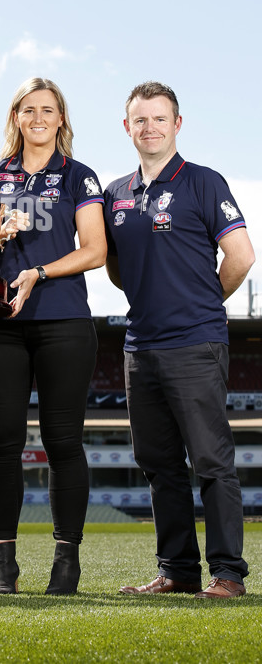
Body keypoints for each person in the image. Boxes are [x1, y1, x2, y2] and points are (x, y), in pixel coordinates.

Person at [104, 81, 255, 599]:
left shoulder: (204, 182)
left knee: (211, 462)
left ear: (177, 124)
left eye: (159, 119)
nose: (149, 128)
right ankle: (178, 571)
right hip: (139, 348)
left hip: (195, 342)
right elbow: (116, 268)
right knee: (159, 464)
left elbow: (241, 256)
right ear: (127, 128)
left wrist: (203, 298)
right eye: (139, 120)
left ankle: (228, 574)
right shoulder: (115, 193)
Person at [0, 77, 107, 595]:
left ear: (61, 119)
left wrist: (41, 272)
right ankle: (2, 566)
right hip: (0, 325)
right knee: (0, 446)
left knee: (63, 443)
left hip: (64, 322)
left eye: (48, 110)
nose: (38, 118)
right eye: (29, 110)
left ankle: (66, 563)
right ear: (16, 117)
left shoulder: (79, 175)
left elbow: (93, 249)